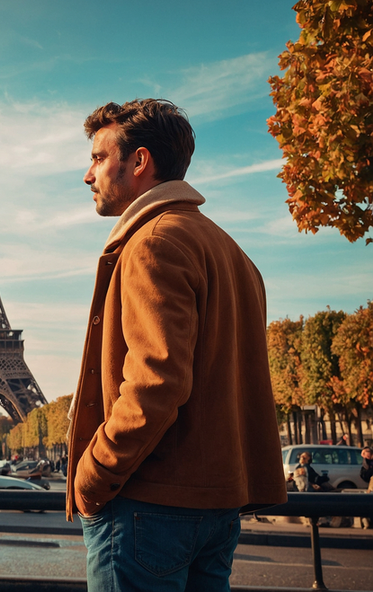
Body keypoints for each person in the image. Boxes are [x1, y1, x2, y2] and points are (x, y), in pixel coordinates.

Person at [66, 99, 287, 591]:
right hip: (216, 504)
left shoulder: (153, 242)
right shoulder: (231, 251)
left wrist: (94, 474)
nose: (88, 175)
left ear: (139, 161)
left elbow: (156, 380)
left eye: (99, 158)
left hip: (150, 506)